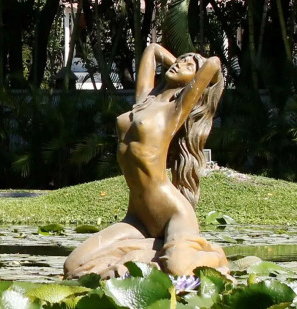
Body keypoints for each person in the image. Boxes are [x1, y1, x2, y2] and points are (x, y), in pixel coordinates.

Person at [64, 42, 230, 280]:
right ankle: (149, 253)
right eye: (180, 59)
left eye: (189, 65)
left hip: (172, 213)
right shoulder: (145, 99)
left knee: (177, 270)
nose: (180, 64)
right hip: (138, 217)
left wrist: (191, 71)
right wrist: (179, 66)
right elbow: (152, 50)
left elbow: (213, 64)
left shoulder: (176, 109)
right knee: (73, 266)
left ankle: (215, 257)